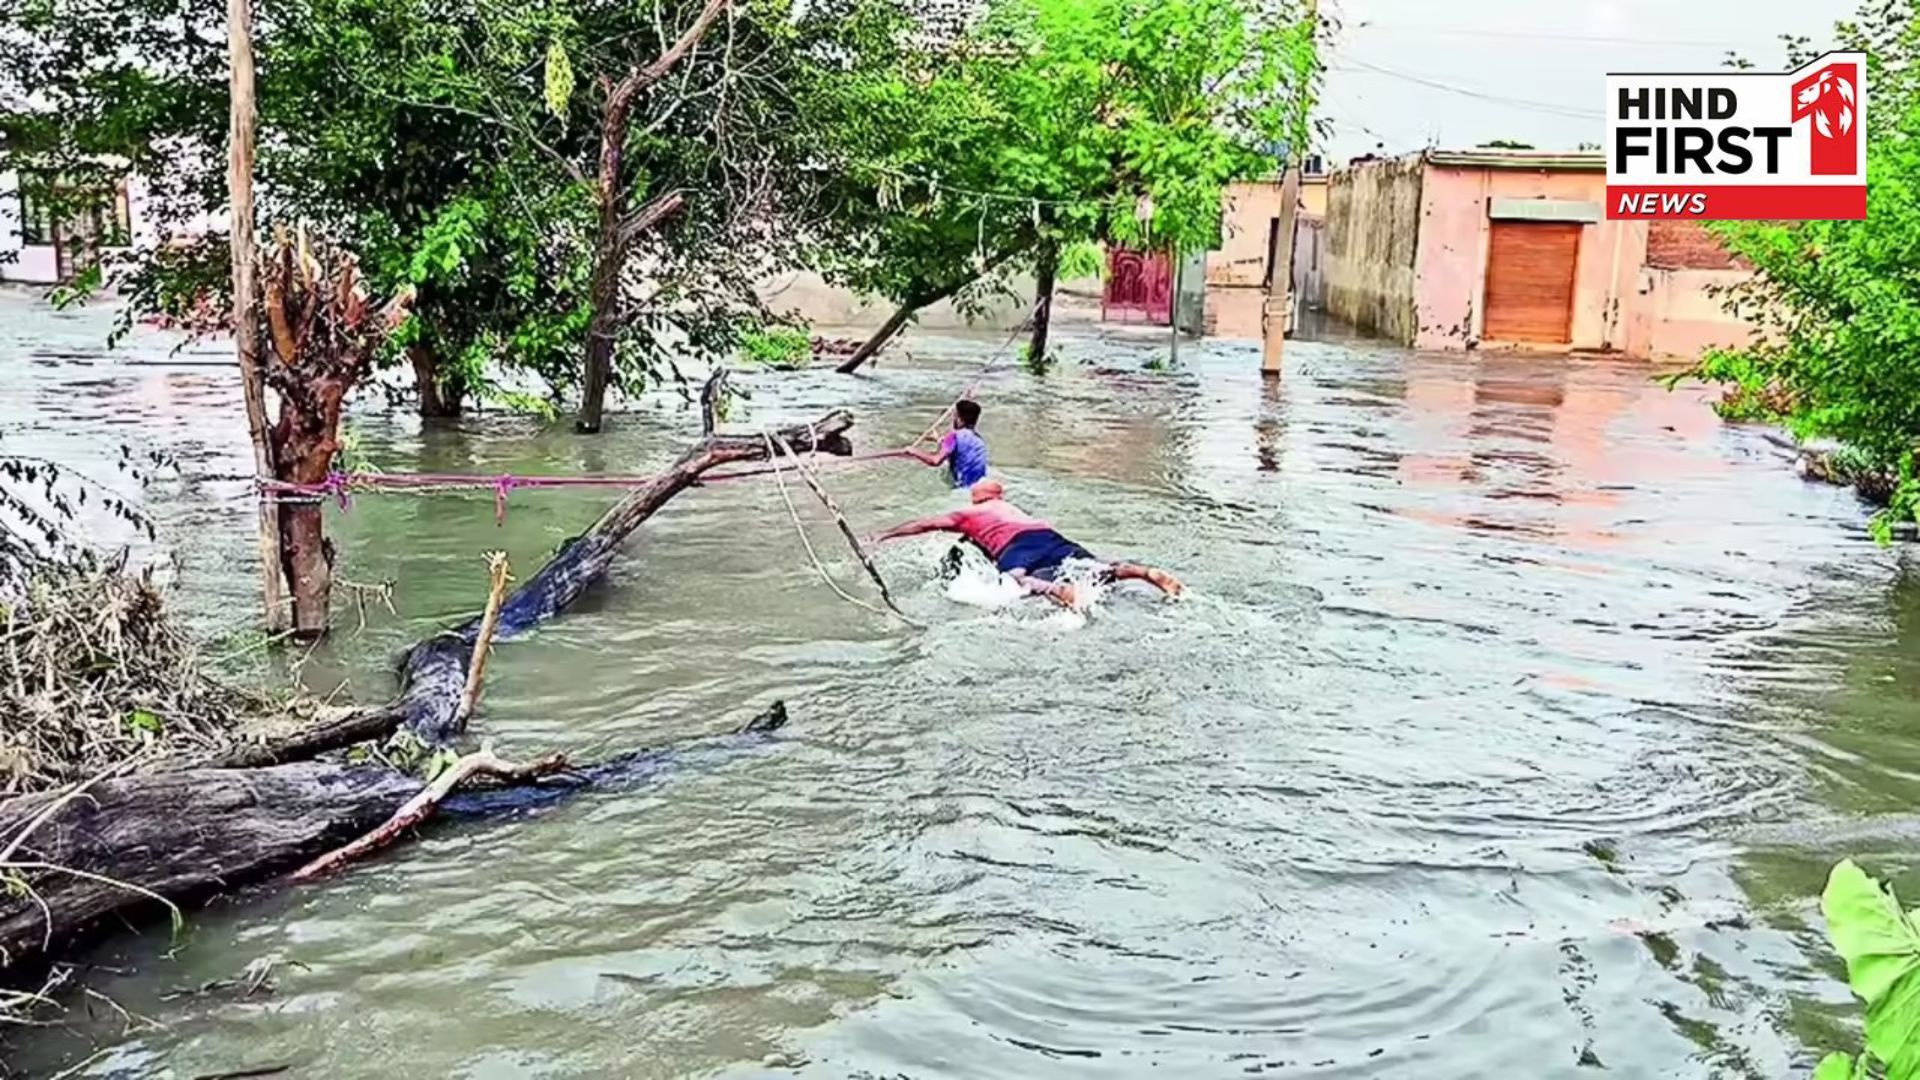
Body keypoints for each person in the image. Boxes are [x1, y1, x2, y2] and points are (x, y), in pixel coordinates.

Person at [869, 480, 1183, 607]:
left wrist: (884, 534)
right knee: (1094, 567)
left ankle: (1057, 591)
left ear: (978, 497)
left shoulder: (969, 512)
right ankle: (1141, 572)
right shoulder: (1010, 508)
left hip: (1015, 545)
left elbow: (924, 525)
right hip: (1047, 535)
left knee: (1016, 580)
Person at [906, 399, 989, 489]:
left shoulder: (953, 437)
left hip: (962, 490)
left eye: (954, 416)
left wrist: (913, 451)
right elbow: (956, 448)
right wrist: (939, 439)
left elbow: (935, 461)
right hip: (980, 487)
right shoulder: (978, 439)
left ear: (958, 418)